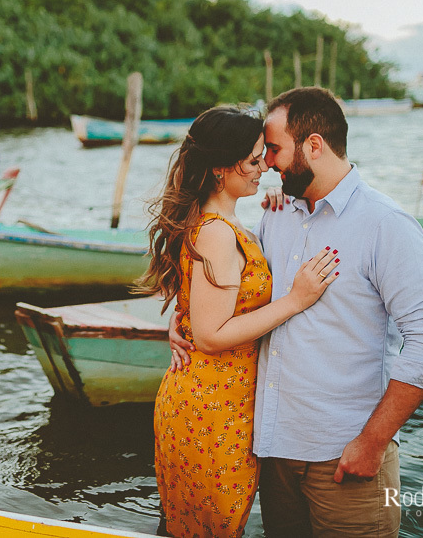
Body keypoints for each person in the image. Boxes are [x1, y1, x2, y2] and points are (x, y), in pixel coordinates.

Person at [173, 87, 423, 536]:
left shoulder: (386, 224)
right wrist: (181, 322)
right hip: (273, 454)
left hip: (344, 457)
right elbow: (233, 293)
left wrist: (373, 442)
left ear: (314, 145)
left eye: (275, 150)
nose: (267, 163)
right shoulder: (276, 213)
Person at [136, 104, 340, 538]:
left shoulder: (226, 222)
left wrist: (279, 201)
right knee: (214, 529)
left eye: (263, 156)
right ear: (219, 169)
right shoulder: (216, 232)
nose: (264, 168)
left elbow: (203, 309)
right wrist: (296, 300)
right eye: (253, 160)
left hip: (219, 402)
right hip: (211, 409)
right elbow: (211, 336)